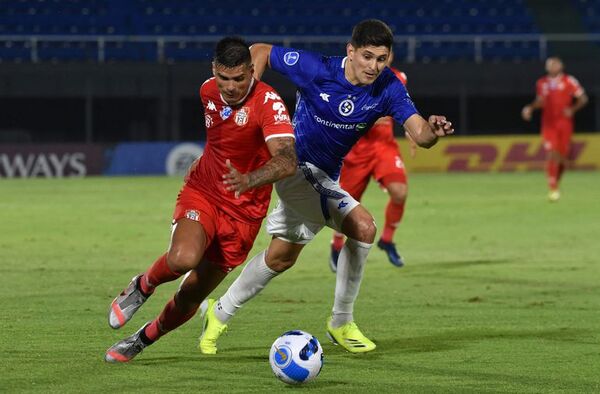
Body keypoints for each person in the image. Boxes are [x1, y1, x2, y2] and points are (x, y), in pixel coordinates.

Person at [197, 19, 453, 355]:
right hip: (293, 166)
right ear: (350, 51)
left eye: (381, 58)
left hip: (323, 176)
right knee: (363, 226)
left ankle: (218, 313)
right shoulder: (317, 68)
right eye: (367, 57)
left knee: (281, 257)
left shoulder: (387, 87)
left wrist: (433, 129)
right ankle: (341, 321)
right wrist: (249, 106)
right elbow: (259, 51)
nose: (374, 66)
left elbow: (419, 133)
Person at [103, 36, 297, 363]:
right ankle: (142, 286)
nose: (231, 87)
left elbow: (288, 160)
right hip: (204, 191)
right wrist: (206, 161)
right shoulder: (207, 91)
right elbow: (222, 140)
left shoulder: (268, 103)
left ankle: (143, 338)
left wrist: (249, 179)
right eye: (224, 78)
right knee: (182, 258)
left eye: (239, 79)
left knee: (192, 294)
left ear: (252, 72)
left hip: (244, 216)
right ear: (213, 71)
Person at [330, 53, 415, 271]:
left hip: (383, 147)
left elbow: (405, 109)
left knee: (400, 192)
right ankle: (337, 245)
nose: (378, 62)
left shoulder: (397, 78)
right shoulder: (348, 77)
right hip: (354, 151)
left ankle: (387, 240)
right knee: (344, 207)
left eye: (384, 56)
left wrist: (412, 131)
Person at [521, 57, 588, 202]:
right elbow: (540, 101)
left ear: (561, 66)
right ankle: (552, 187)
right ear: (546, 67)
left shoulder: (569, 81)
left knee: (563, 159)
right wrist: (530, 108)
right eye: (550, 65)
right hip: (549, 124)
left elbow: (583, 98)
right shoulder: (541, 83)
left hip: (565, 124)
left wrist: (572, 109)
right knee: (551, 153)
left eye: (555, 64)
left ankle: (556, 182)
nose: (552, 67)